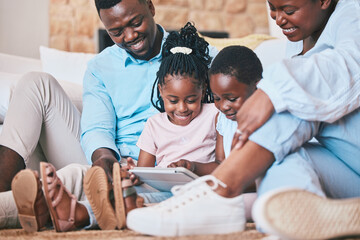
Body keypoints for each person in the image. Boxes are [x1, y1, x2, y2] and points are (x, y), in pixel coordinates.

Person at [125, 0, 360, 238]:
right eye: (272, 8)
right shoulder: (302, 37)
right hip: (346, 171)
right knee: (278, 154)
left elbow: (348, 67)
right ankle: (300, 220)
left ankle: (219, 193)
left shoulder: (354, 14)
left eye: (288, 10)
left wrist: (273, 92)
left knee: (286, 100)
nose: (278, 20)